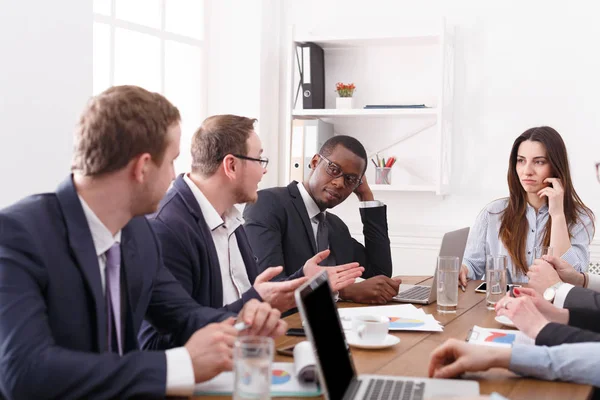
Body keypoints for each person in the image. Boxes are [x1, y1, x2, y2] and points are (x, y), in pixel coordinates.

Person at [0, 86, 285, 399]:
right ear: (142, 168)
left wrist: (243, 322)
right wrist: (180, 365)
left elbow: (183, 313)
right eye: (172, 161)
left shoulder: (138, 233)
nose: (176, 175)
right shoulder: (17, 235)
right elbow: (24, 373)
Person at [139, 115, 363, 349]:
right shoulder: (168, 228)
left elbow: (248, 300)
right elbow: (157, 342)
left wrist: (300, 279)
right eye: (259, 159)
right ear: (231, 165)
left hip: (244, 358)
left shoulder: (232, 220)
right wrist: (257, 300)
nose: (264, 172)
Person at [244, 135, 401, 304]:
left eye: (350, 179)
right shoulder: (269, 204)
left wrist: (366, 196)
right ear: (315, 162)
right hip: (282, 326)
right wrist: (342, 292)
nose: (339, 183)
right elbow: (271, 287)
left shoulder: (336, 227)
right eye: (334, 169)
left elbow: (379, 273)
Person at [459, 126, 595, 287]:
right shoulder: (493, 213)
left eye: (539, 162)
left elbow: (571, 279)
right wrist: (463, 269)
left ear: (556, 166)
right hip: (502, 307)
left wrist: (557, 215)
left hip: (552, 309)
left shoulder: (580, 217)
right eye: (521, 160)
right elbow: (472, 264)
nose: (527, 171)